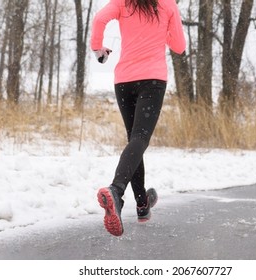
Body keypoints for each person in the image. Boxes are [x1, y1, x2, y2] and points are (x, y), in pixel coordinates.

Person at [91, 0, 185, 236]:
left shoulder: (123, 1)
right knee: (140, 138)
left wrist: (98, 49)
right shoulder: (167, 4)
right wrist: (164, 27)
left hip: (124, 80)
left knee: (134, 141)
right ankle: (116, 190)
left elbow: (99, 19)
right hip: (152, 80)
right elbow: (179, 47)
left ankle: (142, 204)